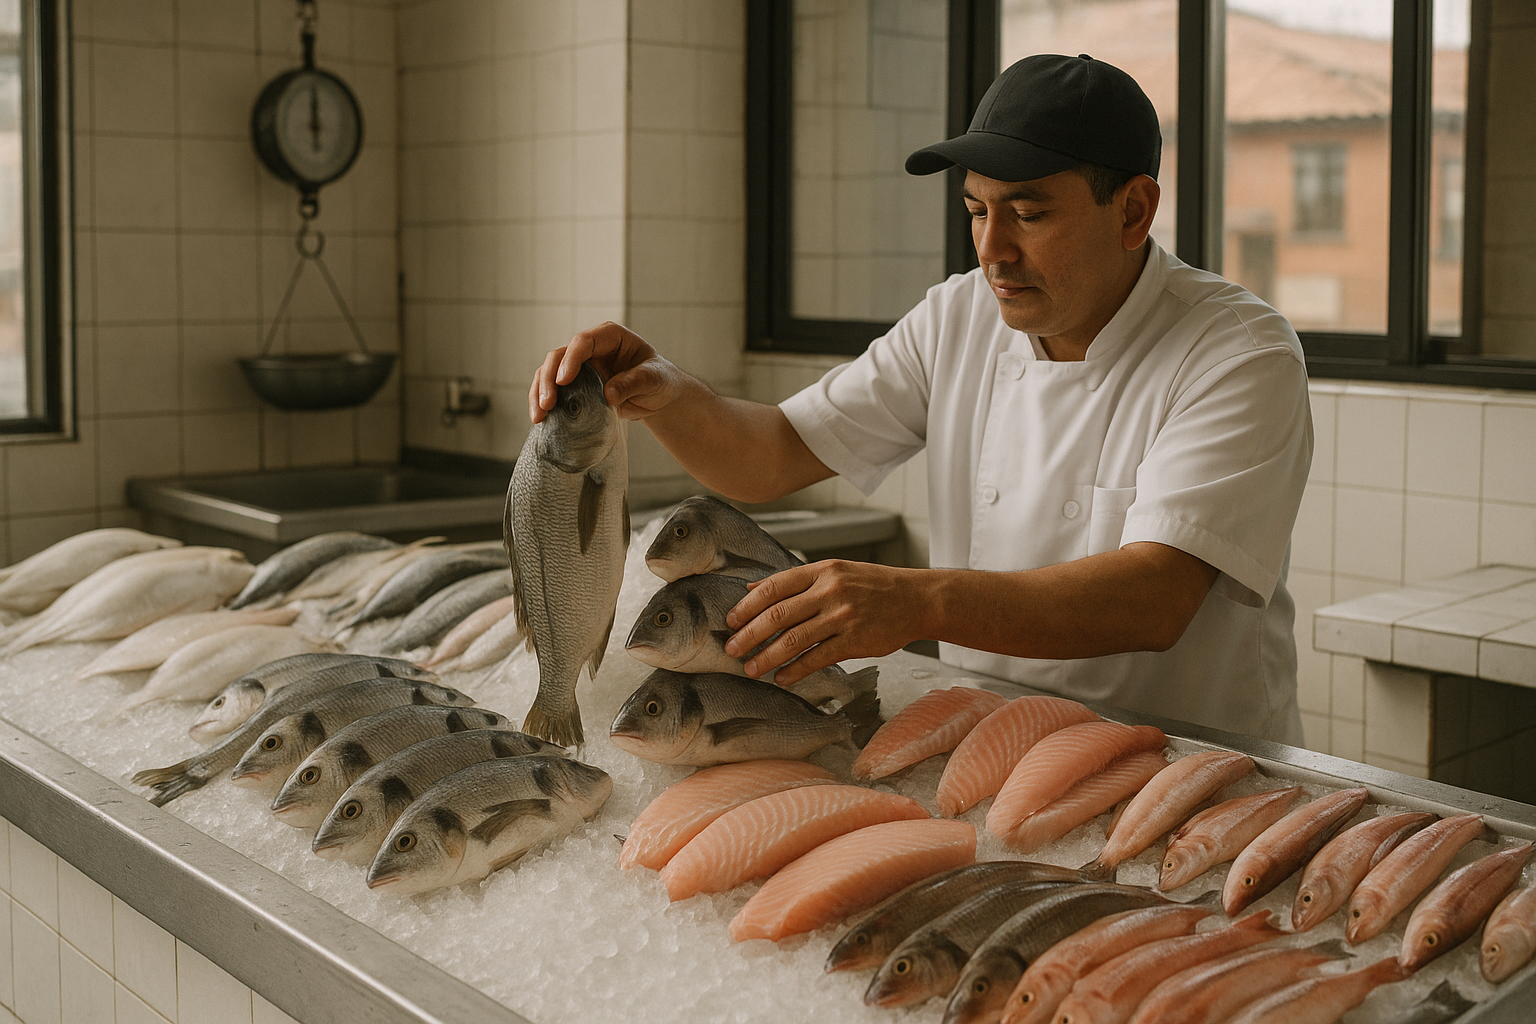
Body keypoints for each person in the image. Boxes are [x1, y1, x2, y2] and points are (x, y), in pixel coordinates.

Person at [529, 54, 1312, 744]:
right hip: (989, 737)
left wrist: (917, 602)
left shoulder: (1238, 352)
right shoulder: (960, 316)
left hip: (1186, 763)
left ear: (1134, 210)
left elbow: (1154, 597)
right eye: (977, 210)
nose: (992, 250)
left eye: (1030, 215)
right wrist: (664, 392)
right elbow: (773, 455)